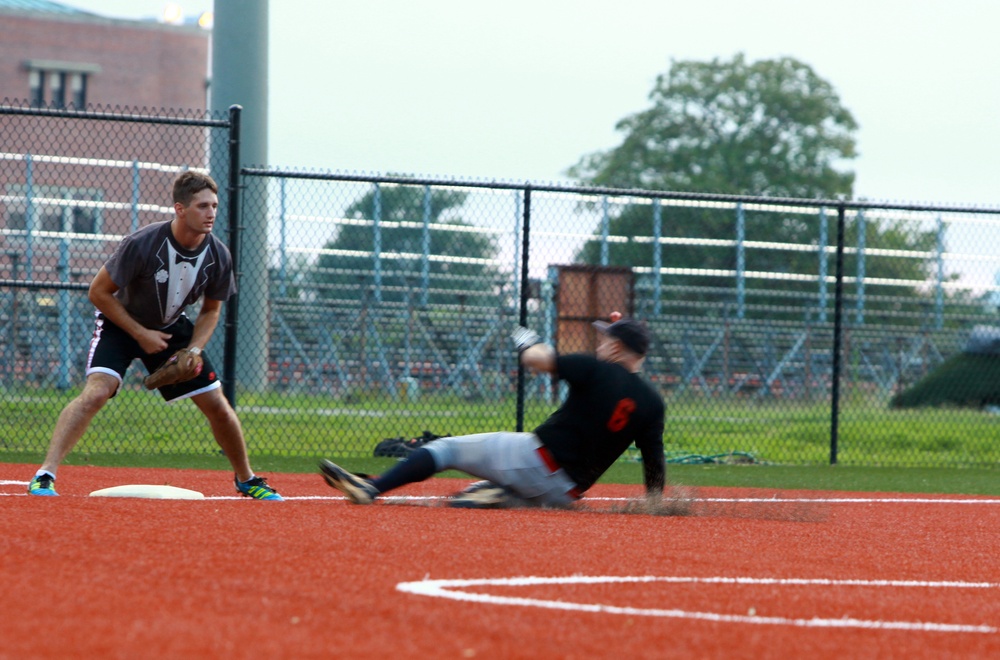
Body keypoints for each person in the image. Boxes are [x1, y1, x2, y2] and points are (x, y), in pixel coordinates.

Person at [27, 171, 282, 500]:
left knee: (217, 404)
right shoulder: (143, 244)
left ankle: (247, 479)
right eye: (203, 206)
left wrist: (194, 349)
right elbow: (99, 292)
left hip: (172, 328)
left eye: (215, 206)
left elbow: (210, 311)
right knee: (95, 394)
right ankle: (45, 474)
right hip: (120, 325)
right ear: (180, 208)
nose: (211, 213)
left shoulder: (218, 254)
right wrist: (140, 333)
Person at [319, 312, 665, 508]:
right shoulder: (653, 403)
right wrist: (655, 505)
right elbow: (654, 465)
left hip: (535, 460)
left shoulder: (597, 369)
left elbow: (535, 360)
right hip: (566, 493)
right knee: (505, 480)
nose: (600, 344)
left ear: (618, 348)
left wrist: (525, 338)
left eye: (606, 339)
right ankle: (501, 493)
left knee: (445, 448)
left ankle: (371, 489)